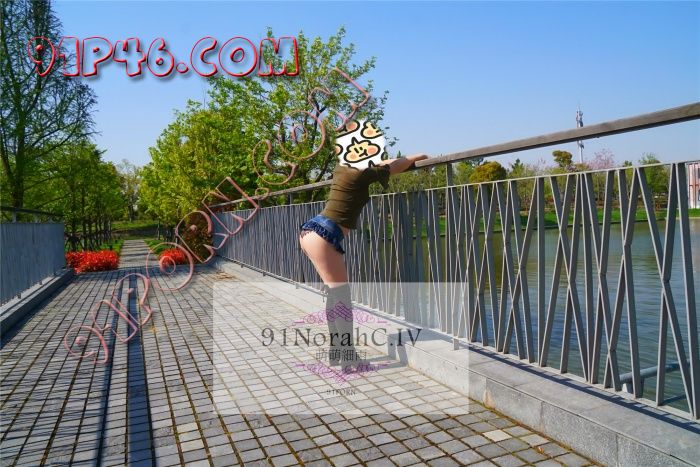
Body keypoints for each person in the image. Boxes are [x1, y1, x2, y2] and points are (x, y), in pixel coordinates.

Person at [298, 131, 428, 372]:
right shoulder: (361, 172)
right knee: (342, 296)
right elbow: (393, 166)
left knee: (335, 294)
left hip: (313, 231)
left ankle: (337, 353)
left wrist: (394, 161)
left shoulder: (344, 167)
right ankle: (349, 358)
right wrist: (416, 157)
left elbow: (383, 164)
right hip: (324, 235)